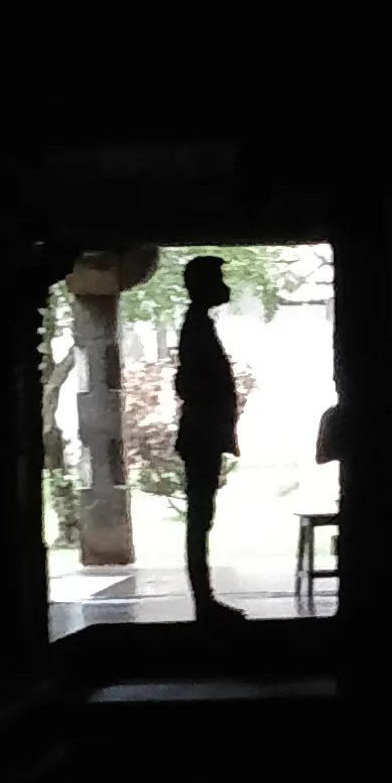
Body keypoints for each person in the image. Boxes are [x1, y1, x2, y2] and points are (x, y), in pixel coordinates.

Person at [173, 252, 244, 622]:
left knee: (202, 517)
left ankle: (205, 598)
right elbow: (193, 384)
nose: (225, 287)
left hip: (203, 433)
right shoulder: (197, 327)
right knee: (200, 518)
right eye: (217, 280)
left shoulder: (198, 325)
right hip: (202, 434)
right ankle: (204, 600)